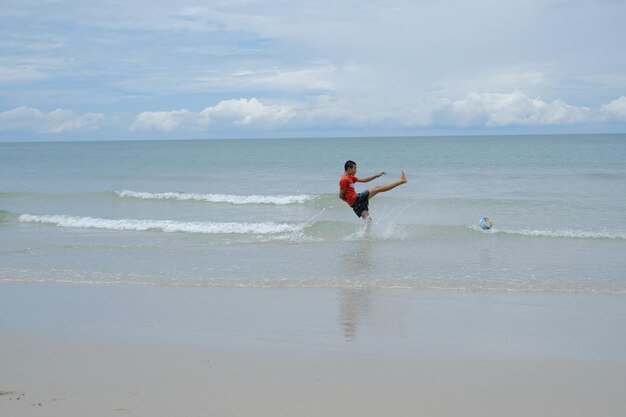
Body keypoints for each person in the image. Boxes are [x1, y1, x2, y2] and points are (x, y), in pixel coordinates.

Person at [339, 160, 407, 221]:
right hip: (356, 200)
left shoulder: (350, 177)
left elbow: (364, 180)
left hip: (356, 202)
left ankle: (365, 235)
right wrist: (352, 202)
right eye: (355, 168)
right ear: (349, 168)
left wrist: (377, 175)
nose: (356, 170)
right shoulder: (344, 179)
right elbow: (341, 196)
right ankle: (401, 181)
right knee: (377, 189)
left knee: (369, 222)